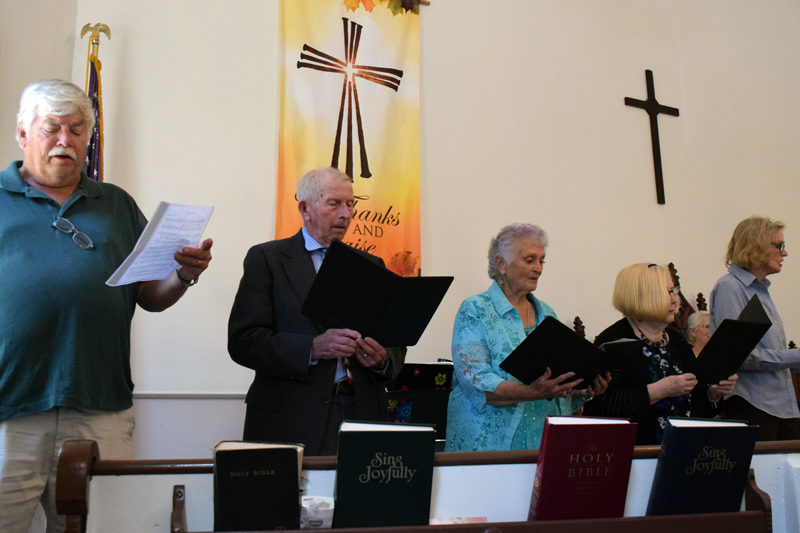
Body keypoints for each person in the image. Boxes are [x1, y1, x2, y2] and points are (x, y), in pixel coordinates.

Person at [0, 79, 213, 533]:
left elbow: (150, 296)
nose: (66, 140)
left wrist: (184, 274)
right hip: (10, 407)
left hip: (101, 409)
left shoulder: (116, 204)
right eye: (51, 128)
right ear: (23, 134)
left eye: (78, 130)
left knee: (101, 526)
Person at [228, 167, 406, 456]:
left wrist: (381, 360)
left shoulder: (372, 266)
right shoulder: (268, 259)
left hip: (361, 415)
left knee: (360, 503)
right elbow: (243, 342)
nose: (346, 214)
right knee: (287, 502)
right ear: (304, 208)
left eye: (350, 204)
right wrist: (311, 347)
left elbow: (395, 345)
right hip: (290, 418)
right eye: (334, 203)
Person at [445, 223, 610, 452]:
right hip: (489, 447)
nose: (538, 268)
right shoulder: (475, 309)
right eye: (530, 260)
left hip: (544, 444)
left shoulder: (547, 314)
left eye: (542, 261)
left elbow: (555, 391)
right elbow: (476, 382)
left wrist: (583, 390)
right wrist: (531, 392)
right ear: (501, 264)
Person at [583, 263, 737, 444]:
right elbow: (600, 408)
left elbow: (697, 402)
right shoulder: (614, 340)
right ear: (641, 297)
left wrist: (713, 394)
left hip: (683, 450)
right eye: (666, 293)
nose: (674, 299)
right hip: (637, 454)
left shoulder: (677, 341)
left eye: (674, 290)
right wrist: (658, 390)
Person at [710, 216, 800, 440]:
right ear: (756, 246)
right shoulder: (730, 287)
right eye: (779, 246)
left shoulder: (760, 290)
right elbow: (737, 355)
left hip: (784, 407)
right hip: (754, 405)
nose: (784, 253)